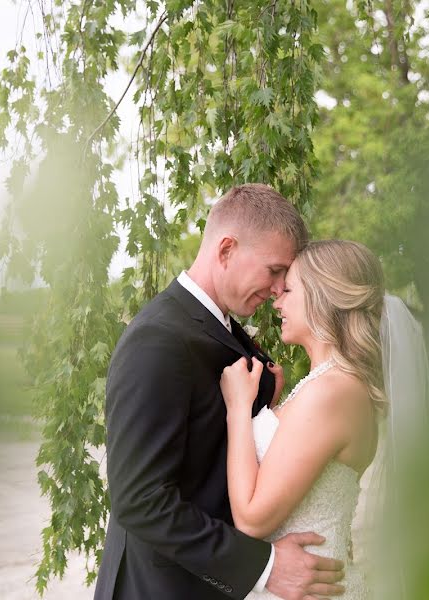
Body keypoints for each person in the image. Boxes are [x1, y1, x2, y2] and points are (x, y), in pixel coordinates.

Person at [94, 184, 346, 600]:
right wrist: (263, 566)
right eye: (274, 270)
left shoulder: (221, 328)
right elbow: (140, 500)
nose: (279, 288)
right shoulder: (158, 341)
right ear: (226, 249)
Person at [220, 239, 395, 600]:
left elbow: (252, 520)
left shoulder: (331, 392)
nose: (277, 300)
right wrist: (272, 405)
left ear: (320, 297)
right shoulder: (331, 387)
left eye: (288, 290)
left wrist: (238, 409)